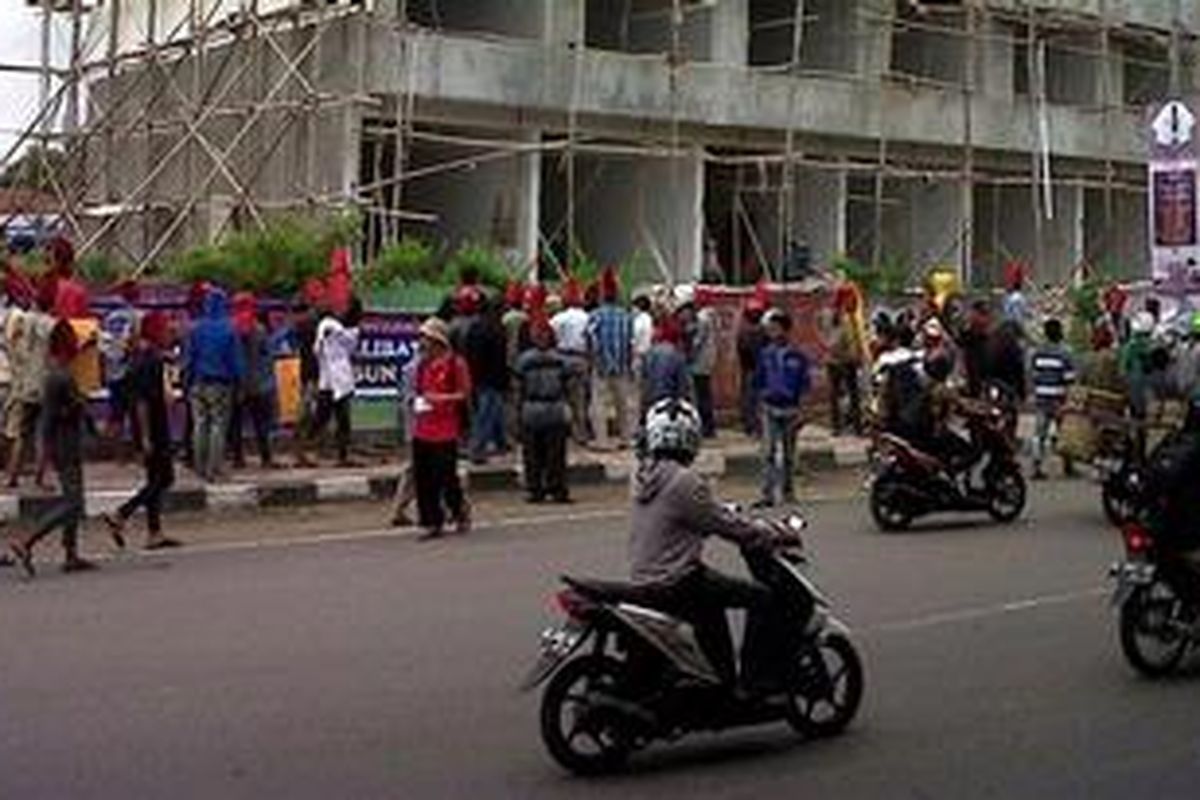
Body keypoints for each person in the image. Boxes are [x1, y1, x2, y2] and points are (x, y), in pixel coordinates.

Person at [629, 398, 805, 691]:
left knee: (714, 603)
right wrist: (775, 533)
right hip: (678, 580)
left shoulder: (642, 477)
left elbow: (698, 513)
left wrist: (719, 510)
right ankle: (756, 675)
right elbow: (729, 527)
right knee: (763, 598)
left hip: (646, 576)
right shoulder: (686, 482)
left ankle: (718, 676)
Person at [8, 321, 96, 575]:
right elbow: (67, 410)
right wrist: (81, 403)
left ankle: (71, 553)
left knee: (74, 499)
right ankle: (28, 542)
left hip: (59, 442)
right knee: (73, 502)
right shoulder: (63, 377)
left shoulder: (54, 373)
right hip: (65, 443)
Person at [101, 312, 182, 551]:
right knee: (165, 478)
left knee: (154, 479)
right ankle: (121, 514)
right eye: (165, 329)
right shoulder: (151, 362)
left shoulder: (140, 358)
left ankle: (154, 532)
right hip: (152, 427)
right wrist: (146, 437)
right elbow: (141, 402)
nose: (169, 333)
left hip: (146, 426)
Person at [411, 317, 472, 540]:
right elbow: (419, 392)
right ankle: (431, 522)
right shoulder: (422, 365)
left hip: (446, 429)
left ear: (437, 340)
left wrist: (439, 398)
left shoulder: (456, 363)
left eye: (425, 338)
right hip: (423, 427)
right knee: (423, 478)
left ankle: (459, 512)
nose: (422, 343)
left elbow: (464, 394)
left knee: (446, 476)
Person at [754, 309, 810, 507]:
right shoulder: (764, 355)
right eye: (770, 329)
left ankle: (788, 492)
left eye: (776, 328)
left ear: (786, 330)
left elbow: (804, 386)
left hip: (791, 409)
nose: (772, 332)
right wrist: (759, 406)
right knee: (768, 452)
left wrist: (803, 411)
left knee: (788, 454)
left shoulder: (798, 356)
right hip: (770, 408)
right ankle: (767, 494)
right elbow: (758, 382)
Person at [186, 287, 243, 481]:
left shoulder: (195, 328)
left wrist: (187, 382)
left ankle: (200, 467)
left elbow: (188, 358)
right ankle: (214, 468)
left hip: (197, 381)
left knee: (200, 424)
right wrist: (239, 381)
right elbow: (236, 360)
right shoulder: (229, 328)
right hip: (220, 383)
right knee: (218, 425)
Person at [515, 318, 572, 503]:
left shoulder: (523, 360)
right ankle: (556, 489)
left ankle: (536, 490)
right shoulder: (561, 360)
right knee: (555, 454)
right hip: (553, 409)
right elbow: (568, 385)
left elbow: (518, 388)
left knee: (533, 455)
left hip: (532, 410)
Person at [303, 298, 362, 467]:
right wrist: (328, 336)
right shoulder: (328, 325)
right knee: (323, 418)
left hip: (339, 382)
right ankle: (307, 451)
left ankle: (342, 455)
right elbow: (319, 345)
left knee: (341, 420)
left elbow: (348, 344)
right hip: (330, 382)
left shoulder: (345, 329)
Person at [5, 298, 55, 488]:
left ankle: (12, 476)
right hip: (44, 382)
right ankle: (40, 478)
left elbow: (12, 345)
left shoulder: (20, 320)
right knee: (43, 433)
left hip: (26, 383)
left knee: (22, 433)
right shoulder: (51, 324)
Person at [586, 269, 634, 450]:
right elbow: (630, 342)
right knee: (623, 403)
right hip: (621, 366)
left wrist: (593, 361)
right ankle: (625, 438)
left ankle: (602, 441)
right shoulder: (626, 316)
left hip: (601, 367)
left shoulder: (595, 315)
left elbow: (591, 340)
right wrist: (628, 365)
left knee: (599, 404)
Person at [229, 295, 277, 469]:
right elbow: (268, 357)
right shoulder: (260, 330)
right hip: (258, 383)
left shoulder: (231, 328)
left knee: (236, 423)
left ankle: (238, 458)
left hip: (237, 383)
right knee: (261, 424)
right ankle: (266, 458)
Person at [1030, 318, 1077, 480]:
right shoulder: (1065, 353)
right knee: (1064, 433)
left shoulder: (1037, 352)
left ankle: (1036, 466)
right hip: (1059, 398)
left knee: (1039, 433)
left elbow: (1034, 376)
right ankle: (1068, 466)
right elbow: (1069, 379)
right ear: (1060, 333)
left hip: (1041, 397)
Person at [465, 297, 509, 464]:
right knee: (487, 413)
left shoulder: (475, 328)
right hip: (492, 377)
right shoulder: (497, 329)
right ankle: (477, 449)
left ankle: (500, 442)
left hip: (478, 376)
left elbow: (469, 354)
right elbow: (500, 357)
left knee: (492, 411)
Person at [99, 281, 141, 451]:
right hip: (129, 369)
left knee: (116, 413)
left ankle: (116, 451)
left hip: (112, 368)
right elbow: (135, 342)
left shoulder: (110, 316)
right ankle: (137, 449)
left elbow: (104, 342)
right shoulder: (135, 316)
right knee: (135, 412)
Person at [551, 280, 592, 446]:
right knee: (579, 399)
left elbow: (549, 336)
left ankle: (560, 432)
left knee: (558, 398)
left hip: (560, 358)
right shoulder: (586, 317)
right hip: (580, 359)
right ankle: (580, 433)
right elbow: (591, 339)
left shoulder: (558, 318)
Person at [640, 315, 693, 414]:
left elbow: (645, 378)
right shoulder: (677, 355)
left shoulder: (650, 353)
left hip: (651, 400)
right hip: (670, 401)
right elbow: (683, 384)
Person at [827, 307, 864, 436]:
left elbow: (852, 345)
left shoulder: (849, 326)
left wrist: (853, 358)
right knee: (835, 396)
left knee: (852, 395)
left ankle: (856, 427)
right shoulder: (832, 329)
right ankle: (837, 426)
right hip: (835, 363)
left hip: (847, 363)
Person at [737, 298, 767, 437]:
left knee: (752, 400)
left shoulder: (746, 331)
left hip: (752, 369)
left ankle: (753, 426)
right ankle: (753, 426)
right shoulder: (758, 331)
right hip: (753, 369)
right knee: (752, 400)